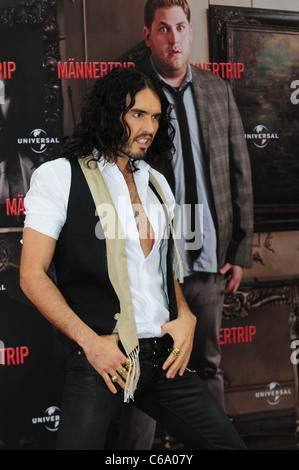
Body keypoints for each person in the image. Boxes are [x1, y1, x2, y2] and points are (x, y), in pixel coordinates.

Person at [20, 67, 246, 450]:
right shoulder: (58, 177)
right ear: (110, 113)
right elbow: (32, 276)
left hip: (162, 353)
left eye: (156, 116)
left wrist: (185, 315)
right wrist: (91, 344)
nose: (149, 127)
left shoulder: (155, 181)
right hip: (102, 356)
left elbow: (160, 269)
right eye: (137, 114)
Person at [119, 0, 254, 449]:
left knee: (208, 364)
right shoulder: (131, 94)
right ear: (148, 35)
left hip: (207, 256)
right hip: (151, 259)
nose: (173, 38)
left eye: (180, 27)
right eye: (163, 29)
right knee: (143, 369)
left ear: (190, 32)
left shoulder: (217, 90)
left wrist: (238, 252)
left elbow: (239, 171)